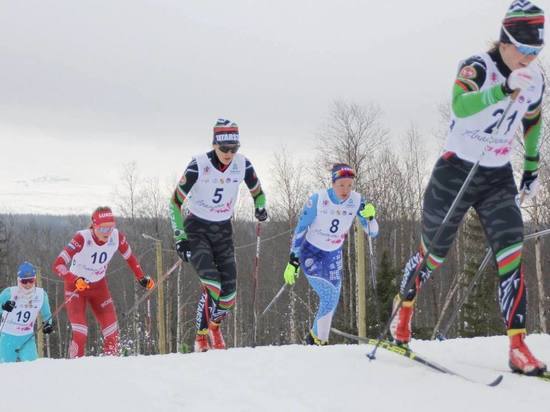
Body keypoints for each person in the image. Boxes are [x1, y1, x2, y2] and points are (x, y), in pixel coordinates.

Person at [390, 0, 546, 375]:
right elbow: (461, 105)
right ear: (505, 41)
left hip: (495, 175)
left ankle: (518, 345)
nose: (528, 58)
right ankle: (403, 312)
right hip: (456, 169)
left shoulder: (535, 76)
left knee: (511, 250)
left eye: (536, 51)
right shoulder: (476, 66)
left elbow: (534, 117)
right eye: (523, 50)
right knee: (435, 253)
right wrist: (503, 88)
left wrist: (530, 166)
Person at [169, 118, 267, 352]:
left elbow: (259, 193)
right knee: (212, 284)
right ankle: (200, 337)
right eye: (224, 149)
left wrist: (260, 208)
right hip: (197, 229)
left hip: (223, 231)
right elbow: (174, 203)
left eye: (234, 148)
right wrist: (180, 238)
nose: (229, 153)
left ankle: (214, 326)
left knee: (229, 294)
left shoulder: (243, 164)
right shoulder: (198, 164)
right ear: (214, 145)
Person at [282, 163, 379, 345]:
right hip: (312, 252)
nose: (346, 190)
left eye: (350, 185)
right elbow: (301, 229)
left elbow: (373, 232)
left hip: (333, 254)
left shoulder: (357, 200)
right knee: (329, 296)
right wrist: (293, 260)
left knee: (332, 300)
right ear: (333, 183)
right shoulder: (318, 199)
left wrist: (371, 217)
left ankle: (313, 339)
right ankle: (320, 341)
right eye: (341, 185)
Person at [52, 207, 154, 357]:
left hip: (99, 287)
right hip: (76, 287)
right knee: (81, 333)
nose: (107, 232)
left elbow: (130, 258)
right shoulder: (82, 238)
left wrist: (141, 277)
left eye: (110, 227)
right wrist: (74, 279)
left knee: (112, 332)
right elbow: (58, 264)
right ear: (93, 226)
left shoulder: (117, 237)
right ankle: (74, 369)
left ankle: (109, 367)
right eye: (103, 228)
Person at [0, 262, 53, 362]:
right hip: (7, 338)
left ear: (35, 279)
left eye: (31, 280)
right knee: (5, 371)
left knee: (31, 369)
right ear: (19, 280)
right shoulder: (9, 293)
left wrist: (47, 325)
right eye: (24, 281)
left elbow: (47, 315)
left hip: (27, 339)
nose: (28, 284)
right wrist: (3, 307)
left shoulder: (41, 295)